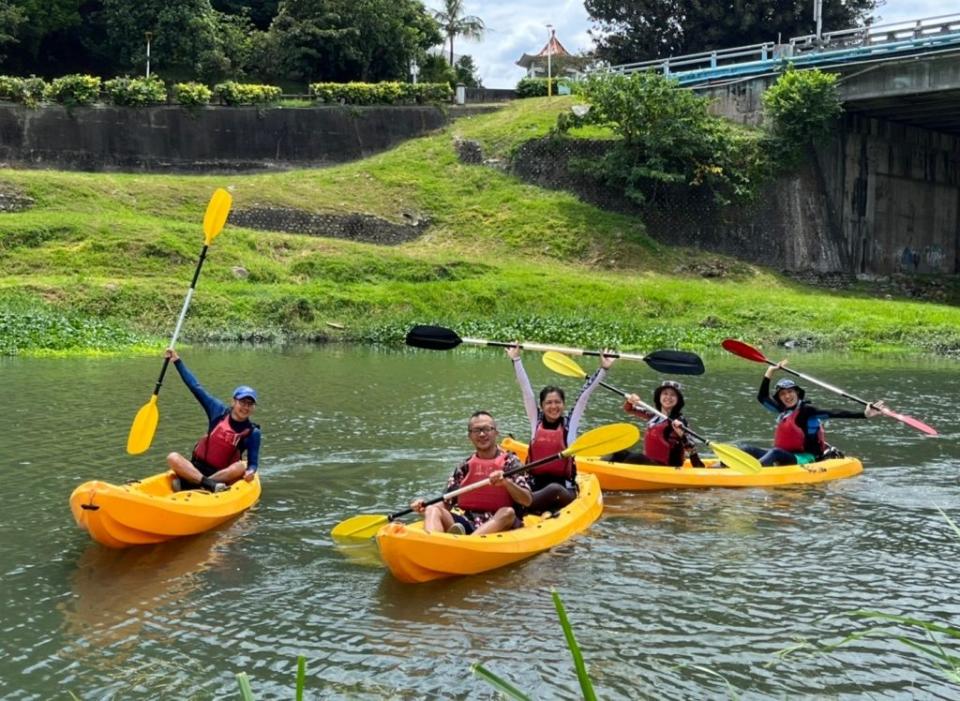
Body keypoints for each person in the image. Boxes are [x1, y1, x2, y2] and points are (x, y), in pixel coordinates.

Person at [506, 345, 614, 513]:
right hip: (534, 486)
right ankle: (527, 505)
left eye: (557, 402)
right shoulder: (536, 421)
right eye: (549, 403)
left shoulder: (569, 425)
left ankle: (526, 506)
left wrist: (603, 369)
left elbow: (584, 395)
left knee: (553, 489)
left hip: (563, 490)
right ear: (541, 406)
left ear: (563, 405)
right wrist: (516, 359)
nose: (553, 406)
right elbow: (526, 391)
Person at [738, 359, 885, 466]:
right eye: (783, 394)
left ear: (797, 393)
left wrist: (864, 414)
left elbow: (835, 412)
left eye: (790, 392)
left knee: (775, 452)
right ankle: (723, 469)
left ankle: (753, 472)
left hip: (805, 457)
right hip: (784, 455)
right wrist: (770, 371)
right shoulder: (782, 410)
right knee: (745, 448)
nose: (787, 396)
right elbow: (762, 397)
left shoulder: (807, 411)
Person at [411, 412, 532, 535]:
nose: (482, 434)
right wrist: (425, 507)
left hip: (502, 523)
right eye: (476, 430)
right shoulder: (464, 466)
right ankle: (434, 545)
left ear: (496, 432)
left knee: (508, 512)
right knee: (432, 510)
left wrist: (506, 483)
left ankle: (467, 542)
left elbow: (527, 500)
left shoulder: (511, 462)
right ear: (469, 436)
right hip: (469, 521)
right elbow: (447, 501)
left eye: (487, 429)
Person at [164, 349, 261, 492]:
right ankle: (207, 484)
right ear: (233, 402)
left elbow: (253, 463)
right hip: (197, 467)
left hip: (222, 474)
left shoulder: (253, 432)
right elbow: (196, 388)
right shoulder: (218, 411)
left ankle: (197, 484)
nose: (245, 407)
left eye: (250, 404)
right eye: (242, 402)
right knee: (172, 457)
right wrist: (177, 361)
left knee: (242, 466)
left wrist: (250, 472)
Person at [605, 380, 705, 467]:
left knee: (635, 458)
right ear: (659, 396)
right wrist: (631, 400)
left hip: (668, 466)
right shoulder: (654, 414)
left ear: (678, 400)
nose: (668, 397)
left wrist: (682, 435)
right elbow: (629, 409)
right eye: (665, 393)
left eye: (673, 395)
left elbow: (692, 448)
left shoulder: (680, 420)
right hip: (650, 461)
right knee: (619, 454)